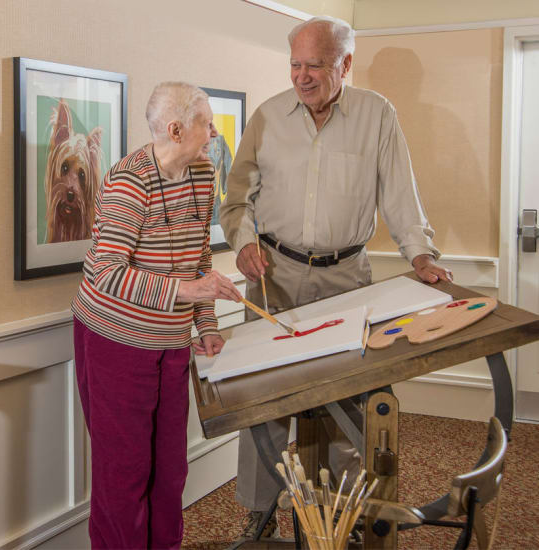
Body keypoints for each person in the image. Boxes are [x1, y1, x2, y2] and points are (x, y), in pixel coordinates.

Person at [219, 16, 453, 537]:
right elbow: (236, 201)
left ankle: (342, 518)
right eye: (295, 64)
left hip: (346, 277)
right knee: (264, 399)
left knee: (348, 402)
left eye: (315, 66)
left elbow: (400, 195)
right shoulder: (266, 117)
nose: (301, 77)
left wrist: (420, 256)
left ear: (345, 64)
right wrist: (244, 243)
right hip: (272, 276)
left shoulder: (377, 115)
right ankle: (261, 517)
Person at [71, 81, 242, 549]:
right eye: (207, 123)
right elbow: (106, 272)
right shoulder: (129, 180)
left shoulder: (204, 173)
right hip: (114, 340)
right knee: (124, 473)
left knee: (170, 469)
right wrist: (187, 290)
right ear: (176, 128)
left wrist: (205, 324)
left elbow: (200, 256)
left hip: (169, 342)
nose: (212, 132)